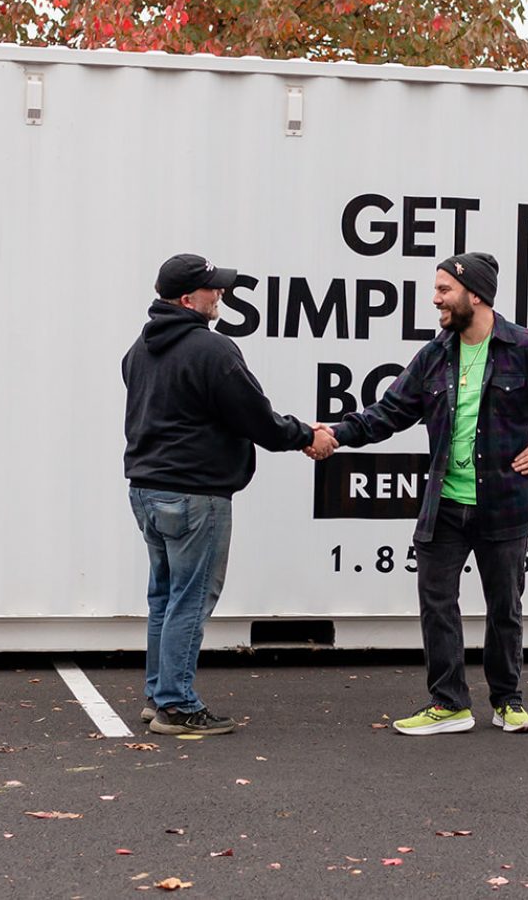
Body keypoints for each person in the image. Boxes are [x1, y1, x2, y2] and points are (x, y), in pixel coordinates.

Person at [327, 252, 528, 736]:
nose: (435, 300)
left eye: (443, 290)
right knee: (437, 604)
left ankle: (508, 701)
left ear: (476, 293)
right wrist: (334, 434)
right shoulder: (435, 355)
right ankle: (449, 704)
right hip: (445, 505)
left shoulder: (527, 348)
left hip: (505, 503)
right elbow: (388, 412)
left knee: (504, 607)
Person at [122, 253, 336, 735]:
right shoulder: (213, 350)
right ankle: (176, 706)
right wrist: (307, 435)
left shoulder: (139, 349)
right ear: (187, 298)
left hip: (148, 490)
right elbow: (255, 417)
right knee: (191, 599)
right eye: (213, 288)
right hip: (196, 495)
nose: (221, 294)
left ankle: (159, 694)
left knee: (165, 596)